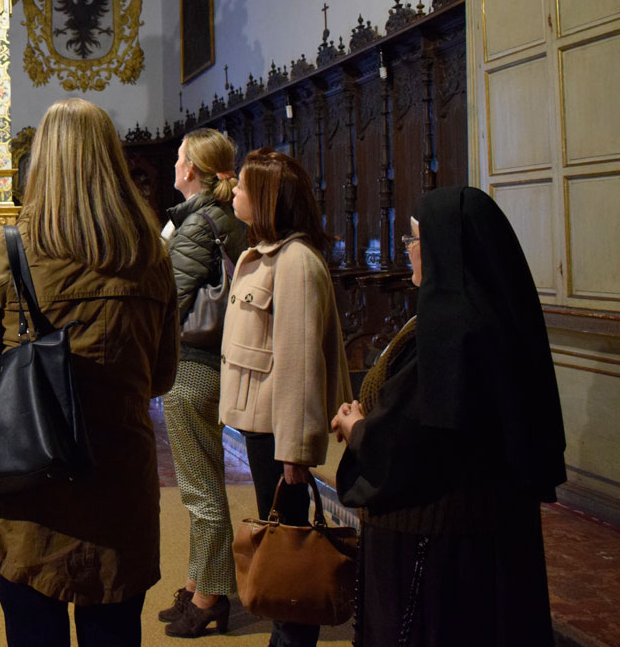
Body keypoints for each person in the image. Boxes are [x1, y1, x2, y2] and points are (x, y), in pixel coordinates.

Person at [0, 98, 180, 647]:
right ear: (114, 163)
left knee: (32, 634)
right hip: (118, 481)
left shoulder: (9, 248)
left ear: (41, 162)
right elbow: (161, 376)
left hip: (29, 481)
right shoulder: (151, 255)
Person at [330, 186, 566, 646]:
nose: (409, 251)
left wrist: (358, 428)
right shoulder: (489, 313)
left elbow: (416, 439)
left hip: (437, 535)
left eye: (414, 240)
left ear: (444, 246)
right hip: (479, 528)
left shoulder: (454, 328)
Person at [219, 148, 351, 647]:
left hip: (279, 429)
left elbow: (298, 364)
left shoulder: (294, 262)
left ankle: (292, 637)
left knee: (289, 545)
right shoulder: (268, 253)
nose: (234, 191)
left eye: (243, 187)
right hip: (262, 424)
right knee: (279, 538)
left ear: (267, 197)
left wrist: (296, 450)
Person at [158, 129, 248, 637]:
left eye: (177, 159)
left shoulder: (198, 224)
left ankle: (213, 595)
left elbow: (170, 298)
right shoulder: (212, 217)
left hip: (192, 365)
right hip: (204, 363)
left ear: (191, 168)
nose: (173, 167)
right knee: (200, 482)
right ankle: (197, 584)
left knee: (200, 488)